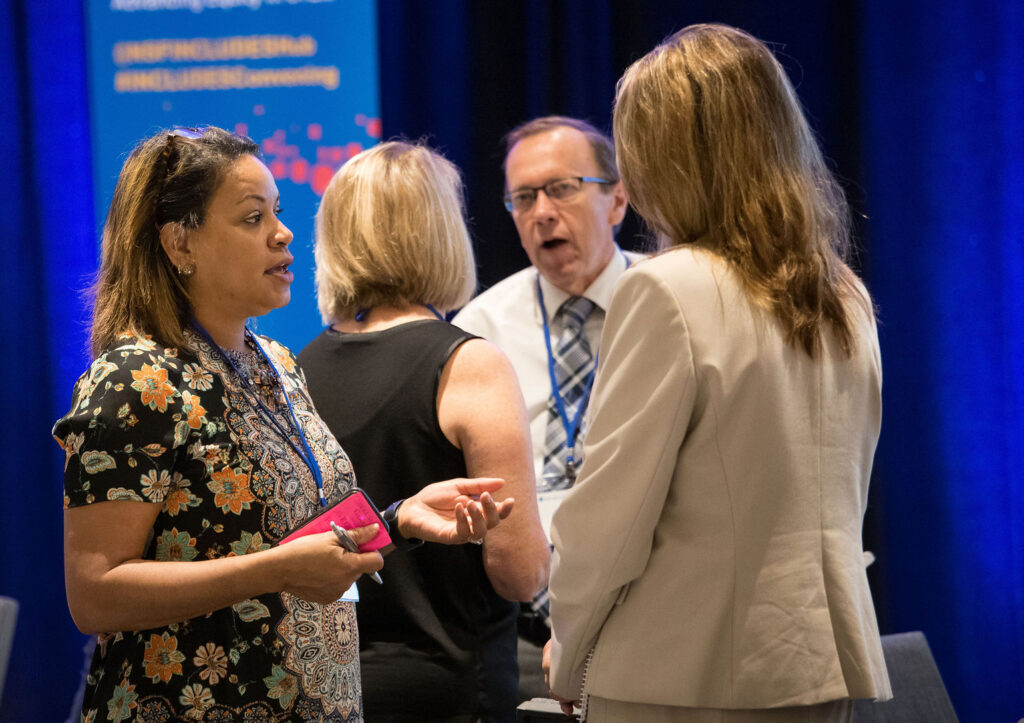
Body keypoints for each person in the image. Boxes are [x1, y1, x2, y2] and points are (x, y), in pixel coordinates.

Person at [54, 126, 513, 722]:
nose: (283, 232)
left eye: (278, 211)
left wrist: (398, 520)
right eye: (252, 218)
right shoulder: (134, 381)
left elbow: (287, 535)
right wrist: (275, 572)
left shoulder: (275, 363)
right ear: (179, 244)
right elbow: (94, 594)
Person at [543, 24, 892, 722]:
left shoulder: (667, 289)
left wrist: (570, 642)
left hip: (682, 676)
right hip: (820, 666)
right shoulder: (845, 293)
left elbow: (610, 518)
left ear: (664, 155)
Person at [298, 141, 550, 723]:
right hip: (450, 690)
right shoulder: (470, 364)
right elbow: (520, 574)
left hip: (328, 689)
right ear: (441, 234)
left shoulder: (293, 369)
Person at [451, 118, 640, 689]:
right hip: (525, 638)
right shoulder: (478, 330)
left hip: (657, 619)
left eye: (562, 188)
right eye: (523, 197)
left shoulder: (675, 302)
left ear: (617, 200)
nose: (542, 212)